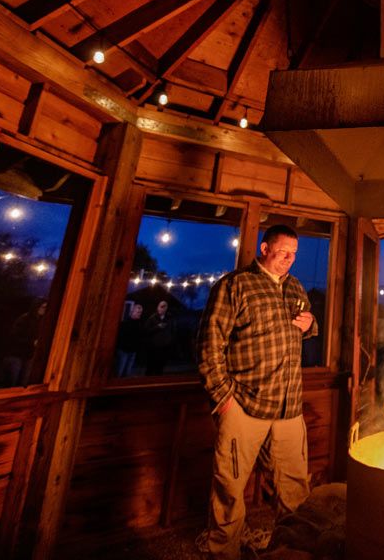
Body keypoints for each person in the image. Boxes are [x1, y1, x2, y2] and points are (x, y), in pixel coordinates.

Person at [196, 225, 317, 559]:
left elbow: (307, 325)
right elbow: (209, 344)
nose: (289, 259)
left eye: (294, 253)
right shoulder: (235, 286)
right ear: (264, 249)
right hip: (244, 406)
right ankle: (224, 554)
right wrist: (223, 399)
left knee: (295, 491)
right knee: (229, 490)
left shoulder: (295, 287)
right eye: (282, 251)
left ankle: (291, 552)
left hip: (289, 408)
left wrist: (310, 325)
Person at [2, 300, 47, 386]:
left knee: (24, 382)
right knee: (12, 382)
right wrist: (31, 342)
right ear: (36, 307)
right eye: (43, 307)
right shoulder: (24, 319)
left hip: (29, 355)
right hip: (16, 355)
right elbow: (14, 337)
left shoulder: (42, 321)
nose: (45, 310)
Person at [143, 299, 175, 375]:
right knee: (150, 366)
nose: (162, 308)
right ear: (158, 307)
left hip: (164, 347)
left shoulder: (169, 318)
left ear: (166, 308)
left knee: (160, 367)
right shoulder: (152, 318)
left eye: (164, 307)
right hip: (154, 347)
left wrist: (169, 340)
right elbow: (146, 331)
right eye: (161, 306)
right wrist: (157, 327)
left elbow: (173, 330)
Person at [114, 301, 143, 377]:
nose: (139, 314)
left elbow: (139, 337)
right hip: (124, 351)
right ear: (132, 312)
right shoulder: (125, 323)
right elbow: (121, 337)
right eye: (138, 312)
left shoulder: (139, 323)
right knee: (119, 372)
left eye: (140, 312)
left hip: (132, 351)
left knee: (127, 373)